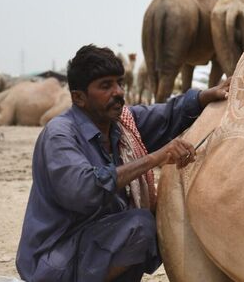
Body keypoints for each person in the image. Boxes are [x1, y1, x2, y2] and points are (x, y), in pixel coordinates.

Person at [16, 45, 230, 282]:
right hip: (57, 257)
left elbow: (167, 115)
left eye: (119, 83)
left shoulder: (121, 124)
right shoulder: (60, 135)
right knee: (141, 227)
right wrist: (156, 158)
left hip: (94, 242)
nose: (118, 92)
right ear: (79, 97)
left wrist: (204, 97)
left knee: (164, 216)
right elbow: (84, 190)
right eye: (106, 86)